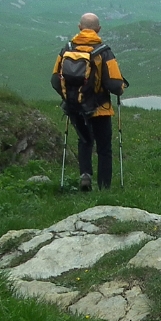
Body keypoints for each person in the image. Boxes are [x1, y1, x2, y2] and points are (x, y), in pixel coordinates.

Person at [51, 12, 127, 191]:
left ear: (79, 27)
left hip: (75, 107)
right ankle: (104, 188)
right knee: (104, 148)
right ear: (98, 29)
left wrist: (69, 97)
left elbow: (55, 80)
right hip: (99, 108)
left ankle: (85, 175)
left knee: (85, 141)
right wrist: (121, 88)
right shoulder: (104, 52)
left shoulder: (67, 49)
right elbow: (114, 84)